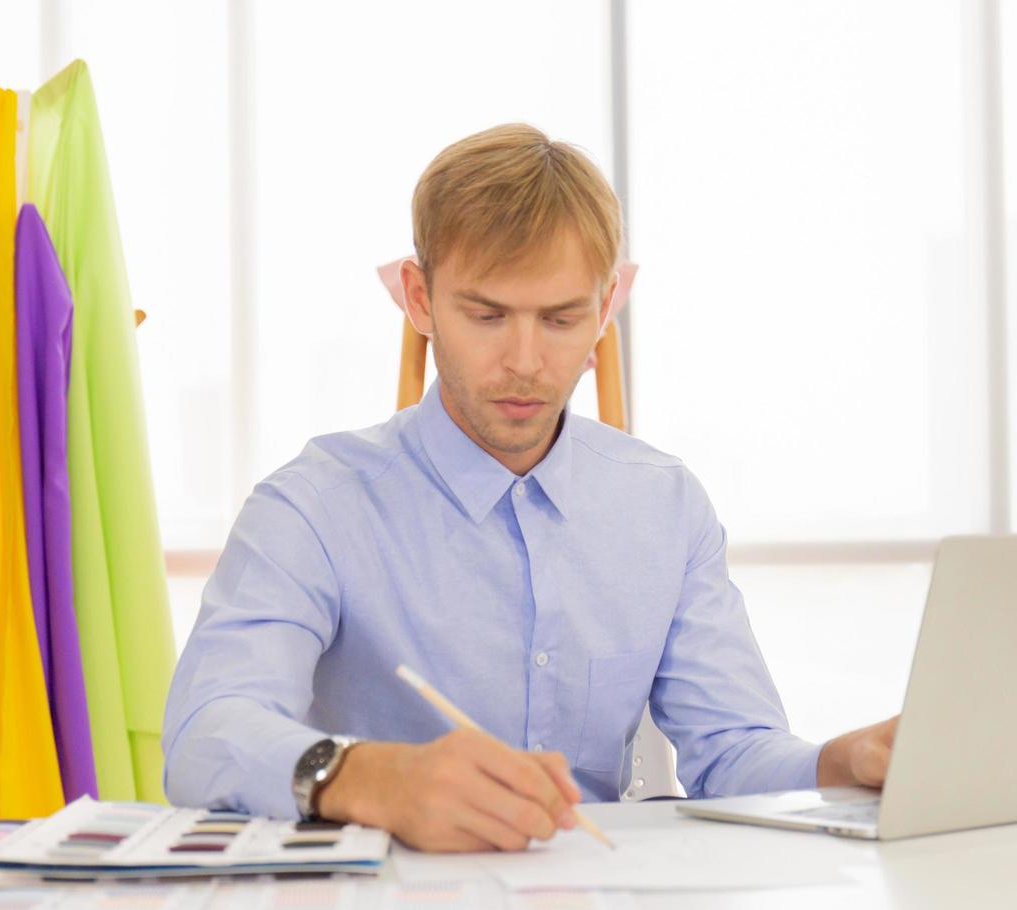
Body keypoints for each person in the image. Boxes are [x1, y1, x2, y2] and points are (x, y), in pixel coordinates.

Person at [162, 123, 898, 853]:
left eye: (561, 318)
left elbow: (733, 753)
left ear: (606, 306)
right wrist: (371, 778)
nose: (525, 361)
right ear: (419, 299)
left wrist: (841, 764)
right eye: (486, 316)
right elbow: (206, 732)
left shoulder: (664, 508)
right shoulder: (315, 505)